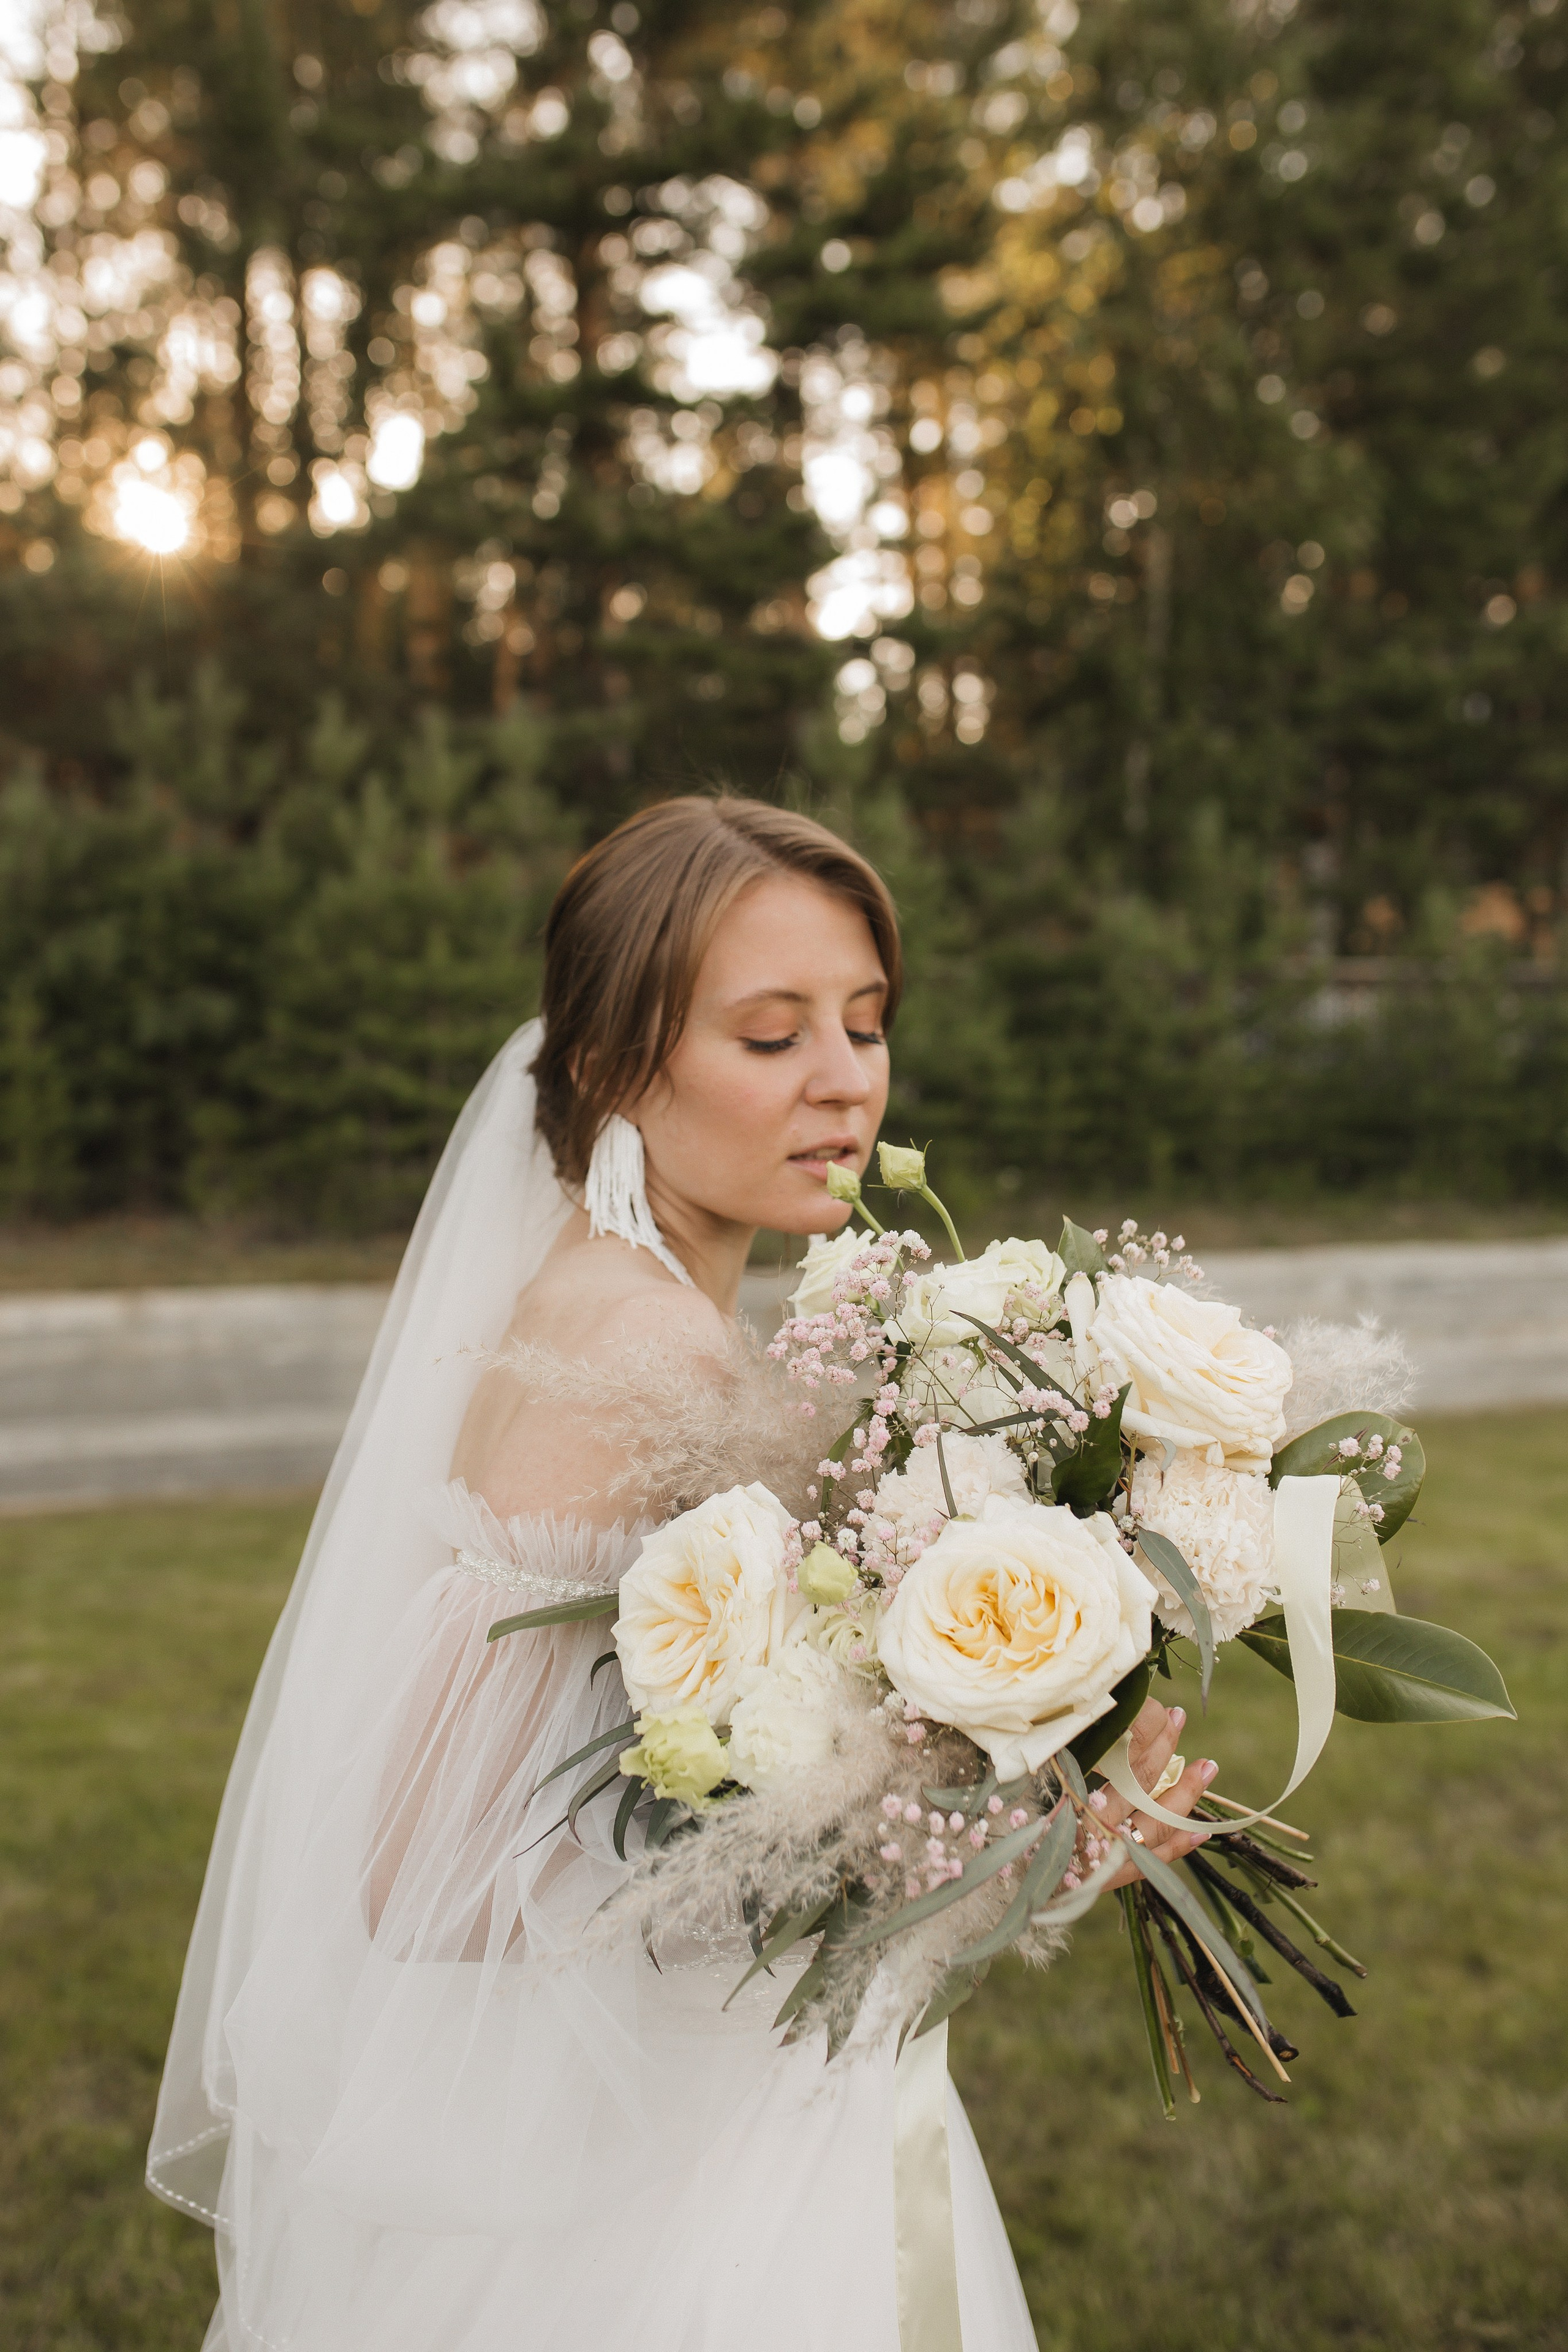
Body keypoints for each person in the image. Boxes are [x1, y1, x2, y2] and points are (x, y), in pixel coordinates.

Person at [148, 794, 1212, 2351]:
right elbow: (421, 1863)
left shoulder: (626, 1305)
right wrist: (963, 1844)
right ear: (603, 1062)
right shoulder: (638, 1344)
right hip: (663, 2181)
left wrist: (1012, 1768)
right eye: (769, 1037)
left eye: (864, 1023)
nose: (843, 1081)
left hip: (693, 2104)